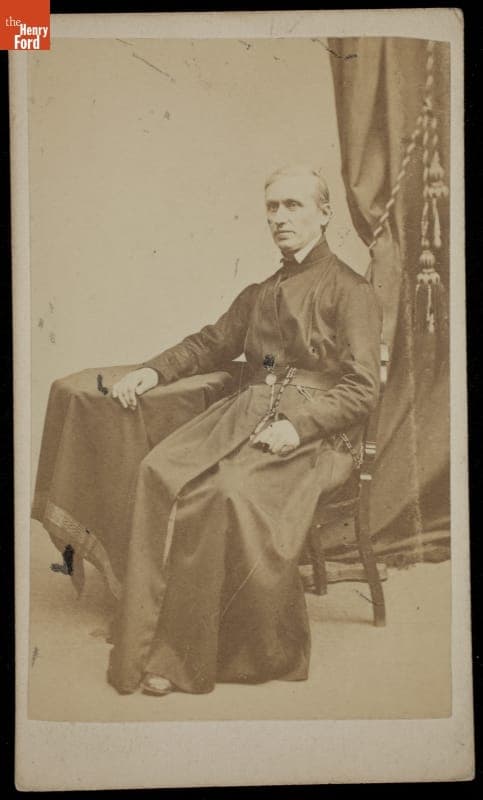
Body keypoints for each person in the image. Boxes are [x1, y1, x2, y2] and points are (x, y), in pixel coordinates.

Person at [106, 164, 382, 696]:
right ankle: (144, 637)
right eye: (272, 208)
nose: (280, 218)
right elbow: (211, 342)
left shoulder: (351, 291)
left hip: (318, 437)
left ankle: (189, 655)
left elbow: (363, 389)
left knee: (225, 493)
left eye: (293, 206)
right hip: (247, 417)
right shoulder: (260, 291)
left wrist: (297, 428)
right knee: (159, 472)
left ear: (325, 214)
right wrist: (152, 370)